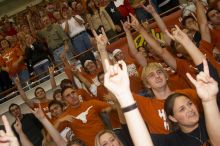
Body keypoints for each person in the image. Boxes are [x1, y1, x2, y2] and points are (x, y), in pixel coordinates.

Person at [164, 59, 220, 146]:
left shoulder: (211, 119)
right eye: (182, 109)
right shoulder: (170, 141)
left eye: (190, 104)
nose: (190, 109)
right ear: (173, 118)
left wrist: (210, 100)